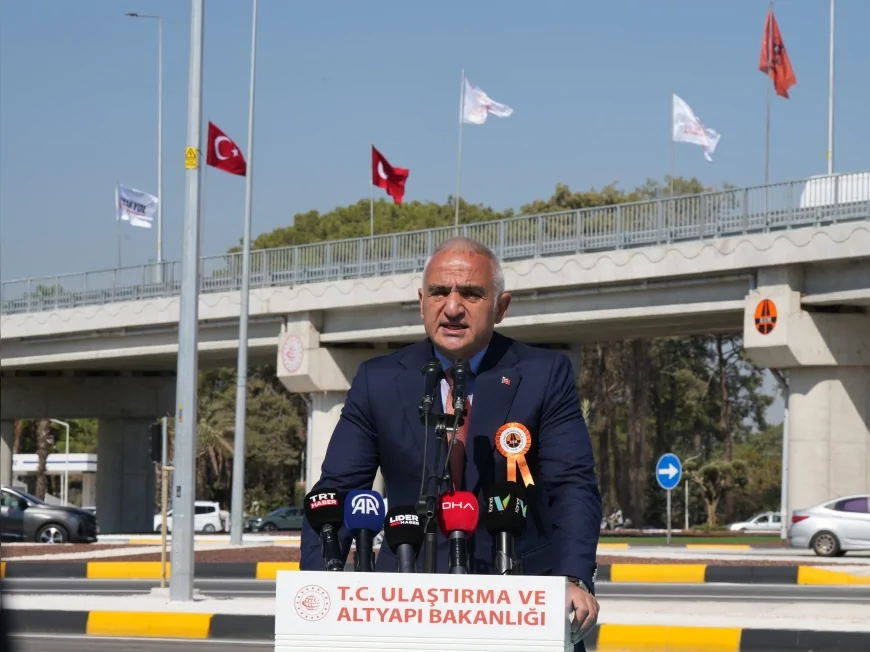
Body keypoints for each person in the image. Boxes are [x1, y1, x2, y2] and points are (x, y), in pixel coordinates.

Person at [300, 236, 602, 647]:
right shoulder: (378, 380)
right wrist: (319, 594)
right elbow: (333, 495)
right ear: (422, 301)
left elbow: (573, 486)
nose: (454, 307)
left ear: (501, 306)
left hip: (519, 603)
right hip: (403, 604)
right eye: (440, 292)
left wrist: (573, 577)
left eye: (472, 294)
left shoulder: (545, 375)